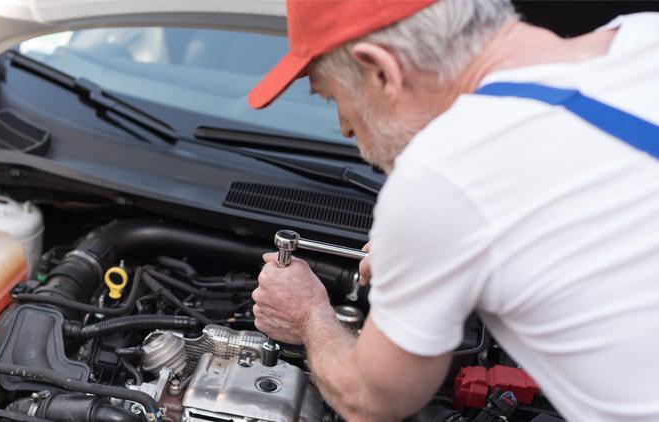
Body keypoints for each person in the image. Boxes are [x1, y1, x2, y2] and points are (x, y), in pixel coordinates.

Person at [247, 0, 659, 420]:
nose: (345, 128)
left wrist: (307, 316)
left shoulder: (442, 177)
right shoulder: (645, 37)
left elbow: (368, 400)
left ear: (381, 71)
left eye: (333, 96)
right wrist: (433, 253)